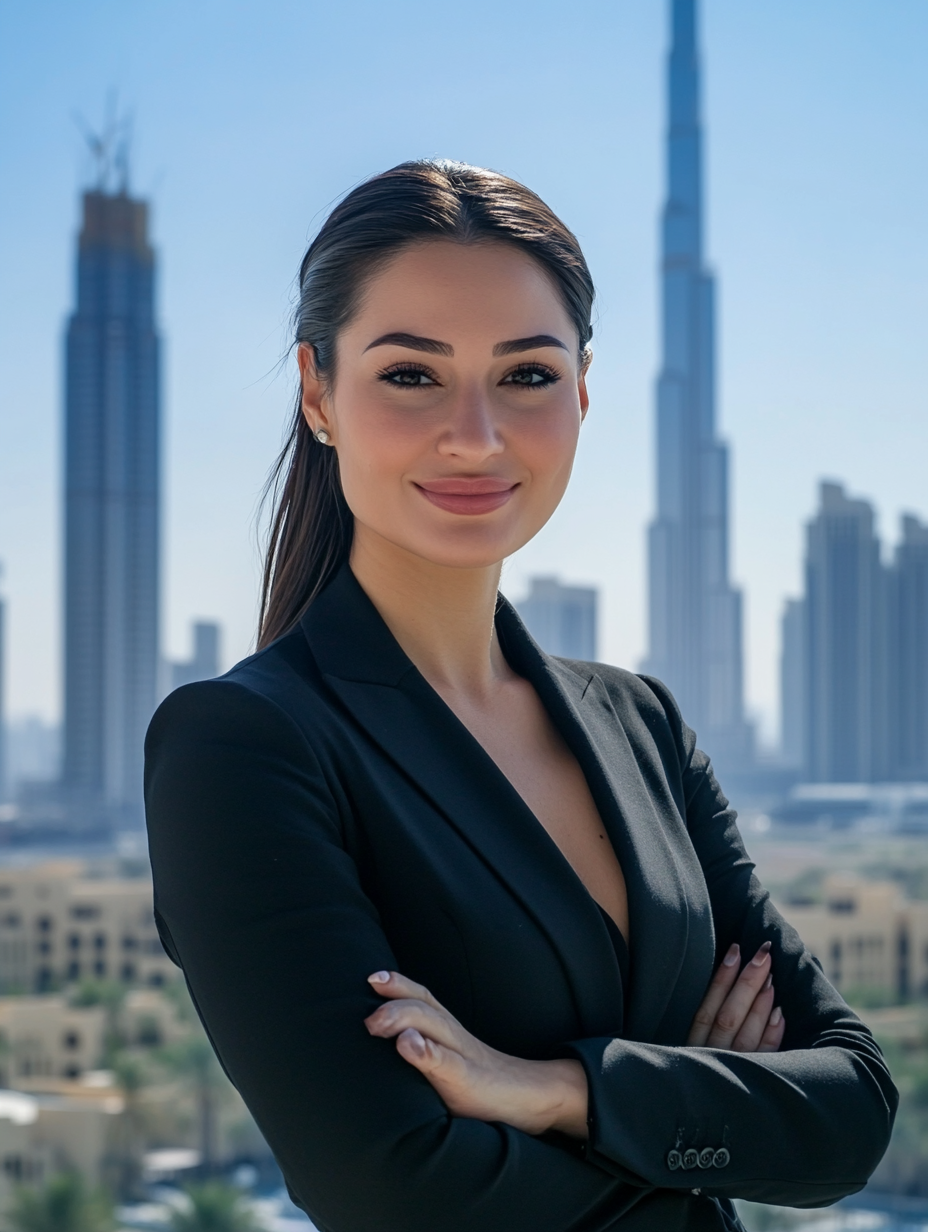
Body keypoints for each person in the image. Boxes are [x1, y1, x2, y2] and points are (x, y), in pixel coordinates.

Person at [145, 160, 896, 1232]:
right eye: (411, 374)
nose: (477, 434)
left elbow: (851, 1114)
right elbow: (389, 1184)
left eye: (526, 375)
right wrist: (697, 1112)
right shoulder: (247, 745)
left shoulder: (642, 726)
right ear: (318, 392)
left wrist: (555, 1088)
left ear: (582, 389)